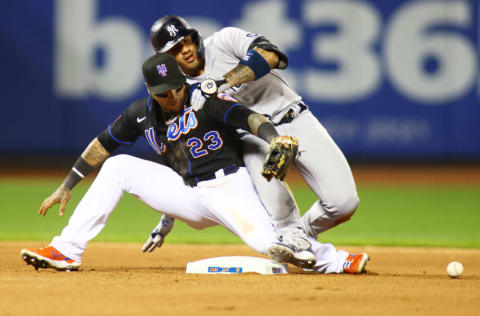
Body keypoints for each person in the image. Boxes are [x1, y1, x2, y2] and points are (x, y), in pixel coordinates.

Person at [20, 53, 369, 274]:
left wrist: (273, 136)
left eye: (175, 87)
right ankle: (66, 250)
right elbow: (102, 145)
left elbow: (247, 117)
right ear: (148, 89)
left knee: (275, 248)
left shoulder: (204, 98)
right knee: (118, 166)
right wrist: (67, 185)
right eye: (163, 92)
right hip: (187, 193)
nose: (172, 96)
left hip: (229, 188)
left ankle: (335, 260)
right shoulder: (139, 114)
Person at [143, 15, 360, 255]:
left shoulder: (224, 41)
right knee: (262, 169)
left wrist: (222, 83)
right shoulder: (178, 91)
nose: (185, 50)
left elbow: (271, 55)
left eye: (186, 41)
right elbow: (186, 160)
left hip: (294, 118)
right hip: (253, 140)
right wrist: (166, 220)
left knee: (343, 204)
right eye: (174, 49)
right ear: (164, 58)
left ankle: (303, 236)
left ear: (194, 37)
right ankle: (292, 237)